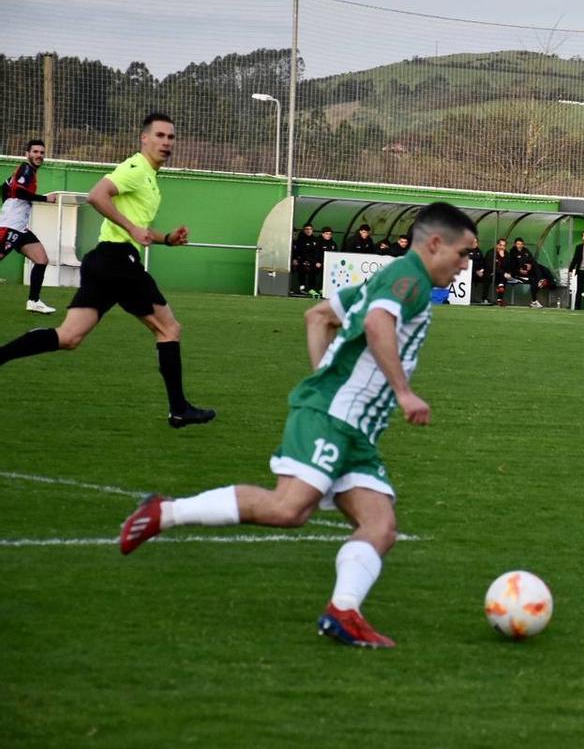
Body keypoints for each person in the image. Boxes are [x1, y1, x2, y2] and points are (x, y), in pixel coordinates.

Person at [118, 201, 479, 649]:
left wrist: (324, 376)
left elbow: (318, 316)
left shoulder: (393, 276)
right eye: (463, 254)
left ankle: (343, 611)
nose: (465, 266)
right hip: (334, 417)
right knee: (289, 508)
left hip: (354, 426)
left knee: (380, 525)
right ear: (435, 243)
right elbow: (376, 320)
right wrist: (400, 392)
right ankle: (164, 512)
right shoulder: (411, 280)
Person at [0, 113, 215, 429]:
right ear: (144, 139)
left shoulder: (151, 181)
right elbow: (96, 196)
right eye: (160, 136)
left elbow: (141, 231)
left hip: (103, 261)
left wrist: (167, 239)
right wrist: (130, 227)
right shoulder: (135, 168)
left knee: (69, 336)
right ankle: (179, 409)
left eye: (171, 137)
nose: (166, 142)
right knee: (169, 329)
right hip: (117, 261)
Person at [0, 139, 59, 313]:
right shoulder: (26, 168)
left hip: (20, 227)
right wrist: (45, 199)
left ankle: (33, 302)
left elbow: (5, 187)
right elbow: (17, 191)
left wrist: (9, 202)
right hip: (11, 225)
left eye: (41, 152)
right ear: (27, 154)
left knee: (41, 259)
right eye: (35, 152)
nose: (39, 155)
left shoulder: (27, 171)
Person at [508, 236, 542, 308]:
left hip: (526, 273)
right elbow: (511, 266)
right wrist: (519, 270)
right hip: (517, 275)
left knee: (537, 266)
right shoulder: (512, 252)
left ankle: (540, 280)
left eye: (521, 244)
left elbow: (532, 260)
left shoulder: (526, 251)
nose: (520, 246)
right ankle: (534, 301)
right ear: (515, 244)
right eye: (518, 244)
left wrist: (530, 265)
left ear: (523, 245)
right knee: (533, 281)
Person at [291, 223, 322, 295]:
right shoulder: (301, 240)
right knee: (302, 268)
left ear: (312, 230)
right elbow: (303, 253)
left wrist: (316, 262)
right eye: (307, 229)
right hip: (304, 260)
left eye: (310, 229)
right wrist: (312, 262)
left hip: (314, 261)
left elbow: (317, 252)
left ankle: (312, 288)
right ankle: (302, 288)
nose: (309, 231)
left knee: (315, 270)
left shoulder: (315, 239)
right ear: (304, 230)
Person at [481, 237, 508, 306]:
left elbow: (507, 266)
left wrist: (502, 257)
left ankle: (499, 299)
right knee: (488, 277)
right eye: (500, 245)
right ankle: (484, 298)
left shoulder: (506, 254)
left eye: (504, 246)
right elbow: (491, 266)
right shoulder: (490, 253)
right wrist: (503, 273)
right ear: (497, 245)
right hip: (490, 272)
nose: (502, 247)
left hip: (499, 275)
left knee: (503, 278)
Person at [466, 236, 485, 303]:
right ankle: (469, 297)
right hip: (468, 272)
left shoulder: (479, 252)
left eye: (476, 242)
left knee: (486, 278)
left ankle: (482, 298)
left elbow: (483, 262)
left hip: (479, 272)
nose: (474, 244)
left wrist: (482, 270)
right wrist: (475, 271)